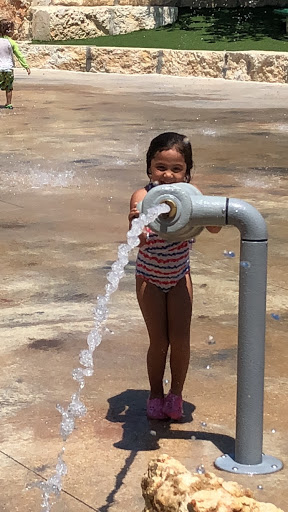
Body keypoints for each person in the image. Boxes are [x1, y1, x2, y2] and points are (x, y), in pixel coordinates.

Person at [128, 132, 221, 421]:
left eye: (176, 169)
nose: (167, 175)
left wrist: (208, 213)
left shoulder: (193, 197)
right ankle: (155, 393)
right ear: (149, 167)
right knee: (159, 341)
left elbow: (215, 229)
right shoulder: (142, 197)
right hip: (148, 278)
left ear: (187, 172)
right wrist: (137, 224)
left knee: (180, 340)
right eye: (160, 167)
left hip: (180, 276)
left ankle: (176, 394)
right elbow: (137, 240)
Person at [0, 19, 31, 109]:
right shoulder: (11, 42)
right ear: (9, 31)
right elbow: (19, 55)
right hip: (8, 69)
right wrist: (26, 66)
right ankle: (8, 103)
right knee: (9, 87)